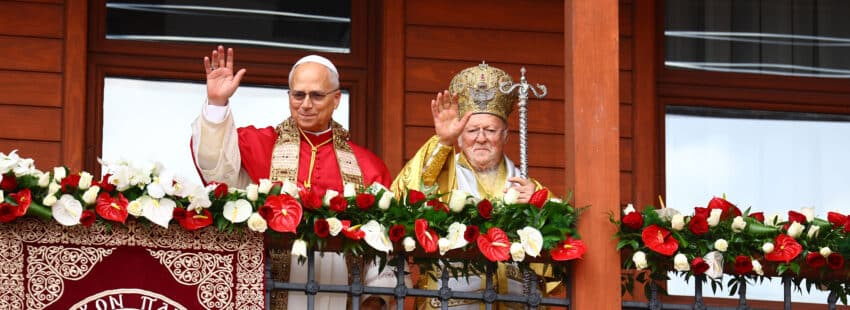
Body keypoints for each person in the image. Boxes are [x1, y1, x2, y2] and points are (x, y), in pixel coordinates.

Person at [190, 46, 393, 310]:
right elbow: (217, 172)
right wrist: (217, 103)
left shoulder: (368, 165)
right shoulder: (260, 144)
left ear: (336, 99)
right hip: (272, 294)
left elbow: (381, 240)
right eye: (298, 95)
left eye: (317, 96)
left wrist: (375, 298)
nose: (305, 104)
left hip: (342, 296)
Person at [391, 63, 552, 310]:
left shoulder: (526, 185)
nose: (481, 138)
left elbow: (560, 238)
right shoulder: (442, 171)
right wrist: (443, 141)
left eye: (490, 130)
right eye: (472, 130)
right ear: (459, 135)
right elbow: (404, 199)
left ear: (506, 135)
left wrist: (538, 203)